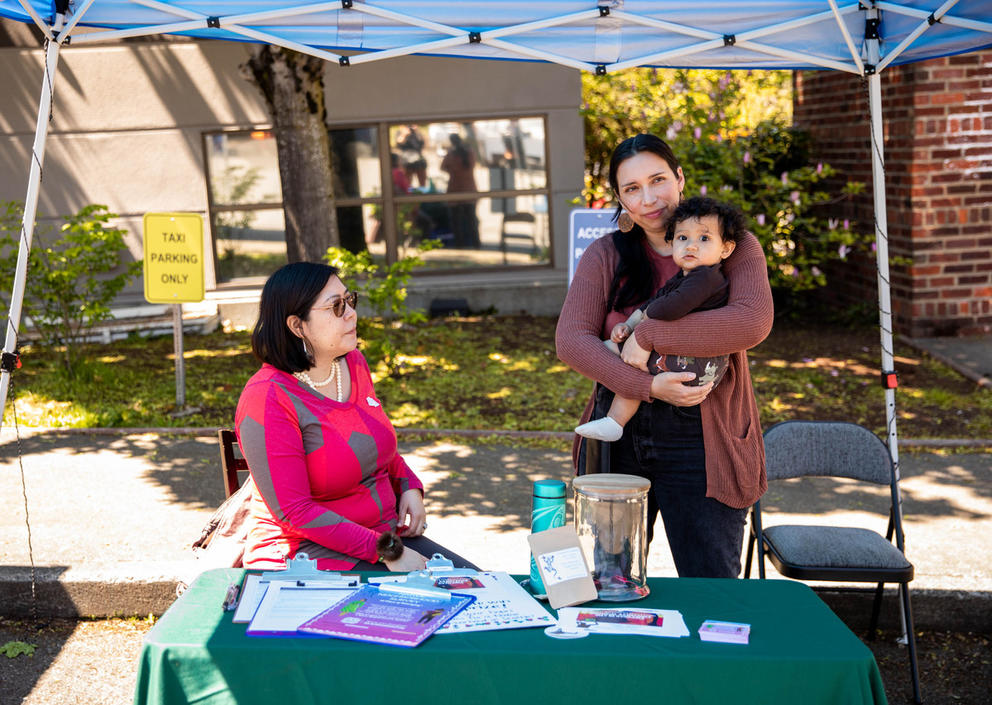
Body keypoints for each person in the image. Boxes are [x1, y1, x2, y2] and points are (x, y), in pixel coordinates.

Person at [555, 134, 774, 579]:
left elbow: (751, 323)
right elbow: (571, 340)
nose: (649, 198)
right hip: (618, 432)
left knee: (711, 582)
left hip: (704, 437)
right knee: (612, 579)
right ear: (620, 198)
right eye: (632, 188)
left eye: (658, 180)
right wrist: (645, 386)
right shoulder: (605, 255)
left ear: (679, 178)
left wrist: (650, 333)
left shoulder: (730, 244)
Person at [235, 261, 478, 572]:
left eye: (350, 300)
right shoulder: (267, 398)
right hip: (306, 556)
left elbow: (375, 448)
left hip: (382, 539)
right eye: (335, 307)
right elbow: (295, 512)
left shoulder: (353, 364)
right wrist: (389, 552)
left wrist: (409, 485)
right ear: (297, 326)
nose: (351, 313)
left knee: (480, 587)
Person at [575, 197, 746, 443]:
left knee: (618, 355)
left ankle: (615, 421)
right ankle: (614, 420)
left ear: (726, 248)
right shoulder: (685, 277)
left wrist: (640, 331)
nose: (691, 246)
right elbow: (650, 305)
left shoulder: (706, 278)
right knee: (621, 355)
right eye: (682, 238)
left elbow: (669, 309)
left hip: (696, 364)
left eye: (704, 238)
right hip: (686, 359)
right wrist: (629, 326)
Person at [441, 133, 480, 248]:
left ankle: (459, 243)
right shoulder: (470, 153)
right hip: (469, 189)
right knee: (471, 219)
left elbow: (443, 167)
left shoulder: (451, 155)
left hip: (455, 189)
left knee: (456, 221)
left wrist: (452, 171)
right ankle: (476, 242)